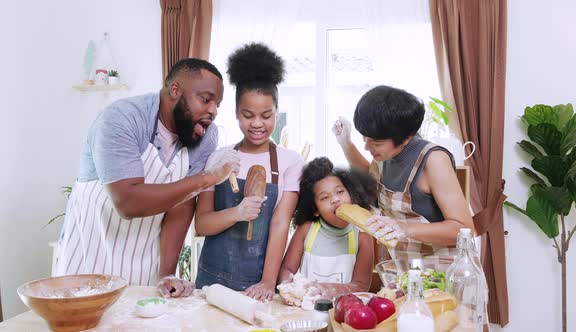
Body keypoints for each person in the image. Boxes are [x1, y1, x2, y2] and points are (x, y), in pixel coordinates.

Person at [55, 58, 240, 298]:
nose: (213, 111)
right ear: (175, 90)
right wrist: (207, 179)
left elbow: (182, 205)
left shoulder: (204, 135)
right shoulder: (122, 119)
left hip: (143, 267)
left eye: (217, 104)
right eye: (206, 99)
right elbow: (128, 202)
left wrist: (166, 274)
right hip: (88, 260)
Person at [194, 43, 304, 301]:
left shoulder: (290, 162)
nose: (257, 124)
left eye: (266, 115)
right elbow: (202, 224)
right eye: (248, 115)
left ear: (277, 113)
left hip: (257, 283)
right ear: (236, 114)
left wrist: (267, 282)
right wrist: (237, 212)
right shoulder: (219, 158)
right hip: (210, 282)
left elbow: (279, 225)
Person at [332, 86, 474, 263]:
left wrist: (404, 228)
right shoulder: (385, 155)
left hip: (446, 273)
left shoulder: (434, 160)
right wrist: (346, 144)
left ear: (406, 138)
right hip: (409, 273)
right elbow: (370, 176)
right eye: (364, 138)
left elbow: (463, 229)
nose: (367, 147)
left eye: (376, 142)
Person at [278, 157, 376, 298]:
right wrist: (290, 288)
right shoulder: (307, 230)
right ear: (315, 209)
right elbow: (287, 269)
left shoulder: (362, 235)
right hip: (307, 309)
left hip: (344, 312)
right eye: (324, 198)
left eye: (340, 192)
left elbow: (361, 286)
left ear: (351, 194)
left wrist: (329, 289)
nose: (335, 199)